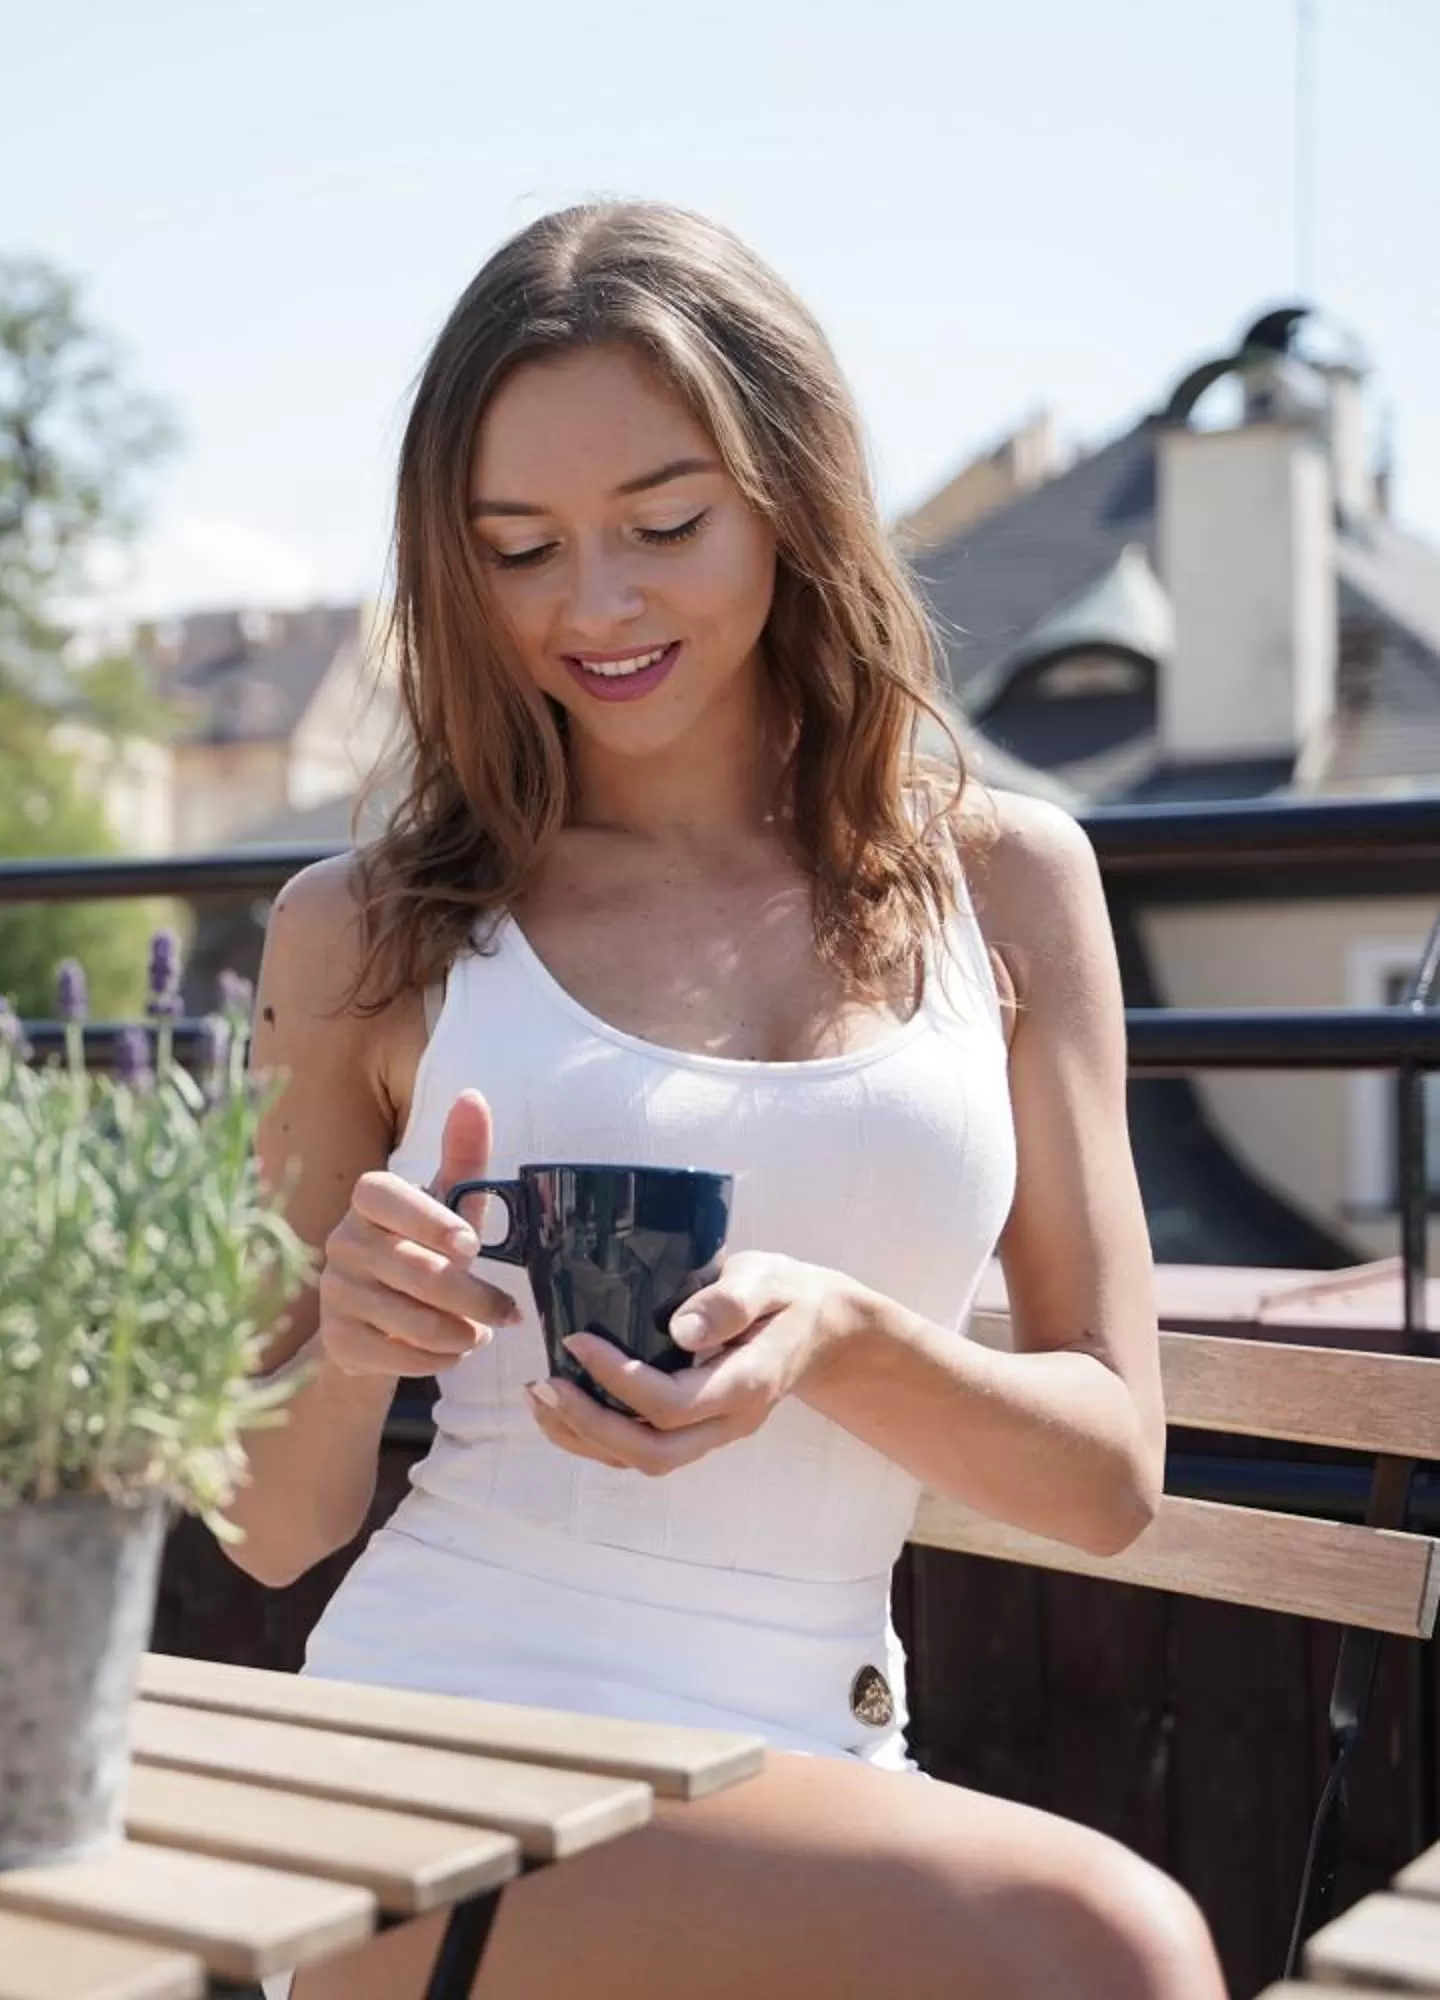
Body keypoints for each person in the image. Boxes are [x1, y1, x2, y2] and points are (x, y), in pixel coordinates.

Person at [229, 203, 1223, 2000]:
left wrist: (842, 1340)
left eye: (663, 525)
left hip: (824, 1758)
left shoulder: (1010, 886)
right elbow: (266, 1520)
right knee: (1112, 1951)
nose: (593, 608)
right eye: (517, 549)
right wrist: (354, 1350)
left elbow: (1107, 1484)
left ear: (789, 494)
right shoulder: (370, 930)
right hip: (435, 1747)